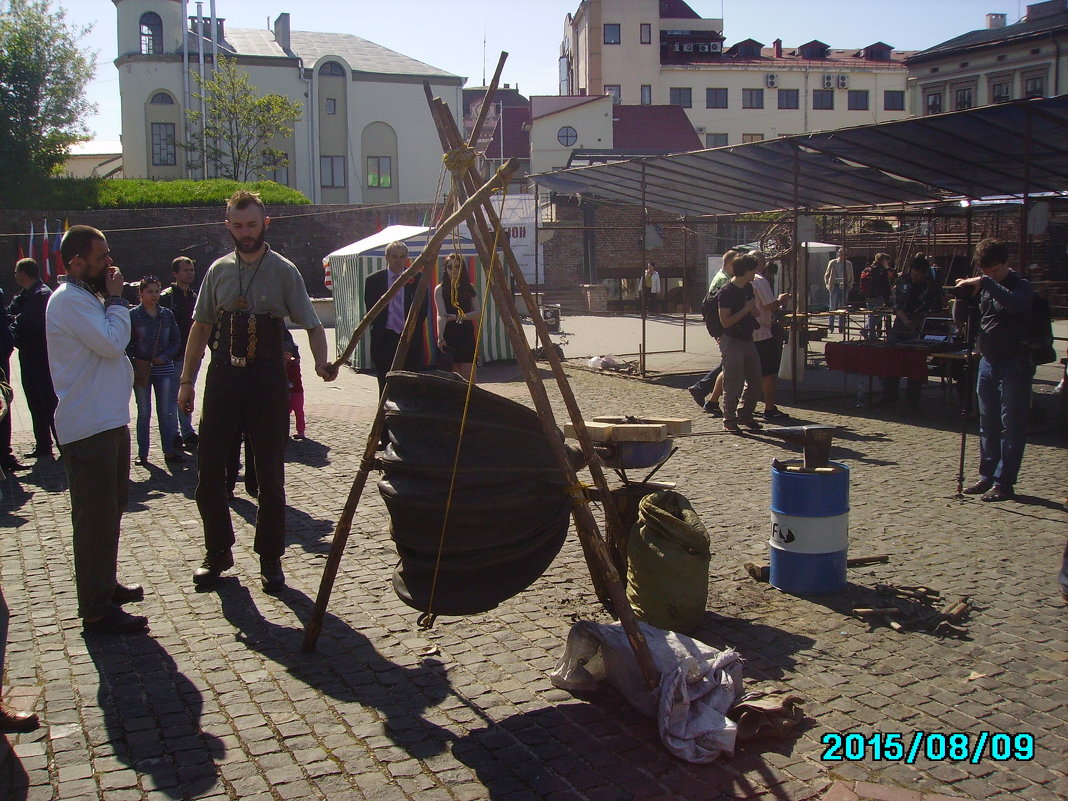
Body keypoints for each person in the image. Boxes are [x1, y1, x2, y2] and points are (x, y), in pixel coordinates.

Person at [178, 191, 336, 592]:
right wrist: (185, 381)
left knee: (269, 476)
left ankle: (270, 558)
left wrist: (321, 361)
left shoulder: (284, 272)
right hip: (223, 381)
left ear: (265, 224)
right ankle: (218, 551)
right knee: (209, 472)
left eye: (251, 225)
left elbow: (313, 324)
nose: (244, 232)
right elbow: (200, 328)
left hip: (267, 381)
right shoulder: (217, 271)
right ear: (227, 225)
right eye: (237, 225)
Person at [46, 225, 147, 634]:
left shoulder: (88, 297)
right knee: (94, 521)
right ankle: (95, 608)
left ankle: (103, 585)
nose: (109, 262)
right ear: (76, 263)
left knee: (110, 511)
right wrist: (119, 301)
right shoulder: (69, 300)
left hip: (108, 421)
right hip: (88, 427)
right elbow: (111, 341)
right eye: (101, 256)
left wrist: (110, 299)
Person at [953, 238, 1035, 503]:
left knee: (1011, 425)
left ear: (1006, 264)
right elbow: (973, 317)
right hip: (987, 361)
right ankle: (987, 475)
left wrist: (987, 283)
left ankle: (1004, 481)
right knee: (987, 423)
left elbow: (1015, 305)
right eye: (986, 271)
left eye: (996, 270)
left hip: (1014, 363)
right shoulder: (986, 286)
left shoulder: (1021, 286)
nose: (990, 275)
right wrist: (962, 301)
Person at [127, 276, 183, 466]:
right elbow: (127, 343)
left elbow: (176, 340)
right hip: (142, 368)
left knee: (166, 411)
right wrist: (135, 361)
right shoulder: (133, 315)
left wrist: (165, 356)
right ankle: (142, 453)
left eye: (157, 291)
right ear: (141, 293)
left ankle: (169, 450)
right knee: (144, 411)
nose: (154, 295)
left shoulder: (166, 314)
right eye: (149, 291)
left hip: (164, 367)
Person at [365, 241, 428, 396]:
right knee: (385, 384)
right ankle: (385, 418)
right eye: (394, 256)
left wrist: (409, 331)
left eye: (402, 257)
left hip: (409, 338)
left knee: (410, 385)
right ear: (387, 257)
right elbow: (372, 311)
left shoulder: (418, 279)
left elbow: (423, 310)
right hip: (385, 338)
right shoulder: (374, 281)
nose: (398, 260)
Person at [10, 258, 58, 460]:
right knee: (34, 401)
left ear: (23, 273)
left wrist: (12, 326)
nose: (14, 275)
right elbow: (12, 312)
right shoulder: (26, 295)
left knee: (49, 402)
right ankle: (43, 445)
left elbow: (26, 324)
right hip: (29, 355)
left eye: (16, 271)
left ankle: (63, 444)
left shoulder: (41, 295)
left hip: (41, 356)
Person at [880, 256, 943, 406]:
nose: (915, 278)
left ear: (925, 274)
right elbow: (896, 305)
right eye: (913, 275)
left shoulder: (931, 286)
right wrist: (906, 320)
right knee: (891, 357)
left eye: (918, 276)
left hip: (920, 324)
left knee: (915, 362)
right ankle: (890, 394)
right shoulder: (902, 281)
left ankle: (912, 399)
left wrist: (918, 320)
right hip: (901, 322)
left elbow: (936, 307)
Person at [687, 250, 737, 416]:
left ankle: (702, 388)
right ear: (730, 264)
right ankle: (702, 388)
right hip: (723, 326)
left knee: (730, 361)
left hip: (720, 326)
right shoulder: (725, 280)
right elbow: (721, 307)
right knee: (730, 362)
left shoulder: (722, 276)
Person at [717, 254, 763, 434]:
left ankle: (745, 415)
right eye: (753, 270)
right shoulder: (726, 292)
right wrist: (746, 310)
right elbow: (725, 322)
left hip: (748, 338)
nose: (756, 273)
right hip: (732, 341)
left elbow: (753, 311)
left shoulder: (748, 287)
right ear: (745, 271)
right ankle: (729, 420)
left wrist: (755, 313)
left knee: (755, 379)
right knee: (733, 381)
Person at [159, 256, 199, 449]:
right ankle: (174, 434)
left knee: (188, 392)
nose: (189, 273)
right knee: (173, 396)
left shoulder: (194, 297)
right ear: (175, 273)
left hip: (192, 355)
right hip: (174, 356)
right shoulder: (167, 297)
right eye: (185, 270)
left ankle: (187, 431)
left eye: (191, 270)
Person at [750, 252, 792, 420]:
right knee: (768, 372)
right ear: (762, 263)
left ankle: (745, 407)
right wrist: (781, 300)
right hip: (762, 332)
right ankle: (769, 407)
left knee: (745, 371)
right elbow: (770, 305)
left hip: (748, 332)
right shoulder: (759, 280)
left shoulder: (740, 280)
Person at [434, 253, 481, 381]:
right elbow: (441, 314)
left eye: (457, 267)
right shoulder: (440, 289)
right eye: (450, 267)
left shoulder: (469, 287)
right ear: (445, 269)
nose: (454, 270)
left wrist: (457, 317)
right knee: (450, 378)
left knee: (469, 378)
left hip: (465, 333)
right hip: (449, 334)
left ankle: (470, 401)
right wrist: (440, 337)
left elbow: (478, 313)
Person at [860, 253, 893, 340]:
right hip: (877, 296)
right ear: (883, 261)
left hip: (868, 296)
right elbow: (885, 285)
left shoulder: (868, 269)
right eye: (887, 261)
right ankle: (871, 335)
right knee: (879, 314)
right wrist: (889, 295)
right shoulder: (881, 270)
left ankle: (866, 331)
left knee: (871, 315)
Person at [824, 248, 853, 334]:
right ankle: (831, 327)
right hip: (835, 285)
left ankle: (841, 327)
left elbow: (851, 274)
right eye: (840, 254)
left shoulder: (848, 264)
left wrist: (850, 284)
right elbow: (827, 274)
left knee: (843, 307)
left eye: (844, 254)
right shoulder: (833, 262)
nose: (842, 256)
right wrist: (828, 285)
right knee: (833, 307)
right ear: (838, 254)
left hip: (844, 286)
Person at [285, 338, 305, 440]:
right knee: (285, 413)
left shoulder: (294, 365)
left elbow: (295, 377)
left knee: (298, 412)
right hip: (286, 393)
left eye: (287, 353)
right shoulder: (281, 364)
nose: (284, 356)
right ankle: (285, 431)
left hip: (296, 392)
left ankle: (301, 431)